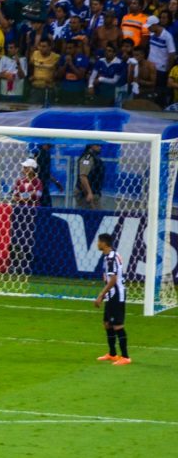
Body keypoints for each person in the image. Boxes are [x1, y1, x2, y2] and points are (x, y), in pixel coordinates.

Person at [94, 233, 130, 366]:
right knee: (107, 323)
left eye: (99, 241)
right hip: (112, 295)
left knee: (117, 325)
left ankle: (125, 356)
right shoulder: (113, 255)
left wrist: (100, 295)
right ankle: (112, 354)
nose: (97, 244)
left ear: (104, 243)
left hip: (116, 295)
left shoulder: (110, 258)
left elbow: (113, 279)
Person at [75, 144, 103, 210]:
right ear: (91, 146)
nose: (100, 147)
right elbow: (83, 176)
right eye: (98, 145)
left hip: (93, 192)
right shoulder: (87, 157)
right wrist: (89, 193)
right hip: (85, 193)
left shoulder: (94, 158)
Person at [34, 143, 62, 207]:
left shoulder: (43, 153)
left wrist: (56, 182)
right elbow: (44, 172)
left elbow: (46, 172)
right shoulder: (42, 154)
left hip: (41, 186)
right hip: (41, 186)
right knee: (45, 206)